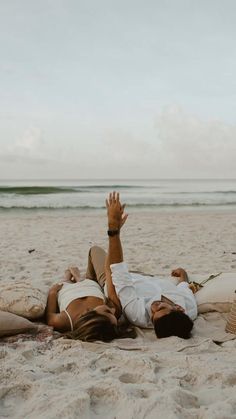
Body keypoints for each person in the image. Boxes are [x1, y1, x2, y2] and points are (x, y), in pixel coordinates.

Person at [105, 191, 198, 339]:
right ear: (179, 308)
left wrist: (113, 228)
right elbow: (184, 287)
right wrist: (183, 275)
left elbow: (117, 271)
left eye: (153, 316)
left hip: (111, 279)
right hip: (142, 277)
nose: (153, 309)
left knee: (95, 251)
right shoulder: (189, 307)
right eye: (160, 308)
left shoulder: (137, 314)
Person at [46, 246, 136, 342]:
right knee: (95, 250)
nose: (113, 310)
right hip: (92, 282)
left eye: (108, 312)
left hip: (67, 288)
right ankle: (77, 277)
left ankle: (69, 278)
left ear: (93, 316)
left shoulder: (64, 321)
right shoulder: (112, 315)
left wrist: (53, 292)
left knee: (66, 280)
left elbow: (50, 315)